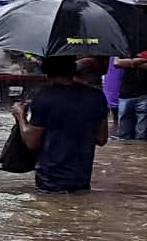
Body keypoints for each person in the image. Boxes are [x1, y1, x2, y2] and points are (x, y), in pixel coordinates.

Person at [11, 56, 110, 192]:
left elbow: (32, 142)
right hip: (82, 178)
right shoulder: (97, 97)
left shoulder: (43, 97)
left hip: (49, 181)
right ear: (73, 69)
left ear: (46, 70)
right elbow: (101, 138)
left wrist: (20, 115)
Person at [113, 52, 147, 140]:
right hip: (126, 93)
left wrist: (130, 63)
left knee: (142, 135)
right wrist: (139, 61)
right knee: (124, 134)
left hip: (143, 94)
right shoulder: (122, 47)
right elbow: (116, 63)